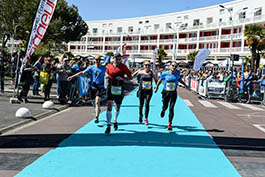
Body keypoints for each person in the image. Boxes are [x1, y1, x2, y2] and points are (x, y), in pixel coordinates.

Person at [68, 55, 106, 123]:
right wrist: (72, 76)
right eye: (96, 59)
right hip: (92, 87)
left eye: (99, 60)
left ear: (101, 60)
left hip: (100, 87)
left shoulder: (104, 68)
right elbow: (82, 72)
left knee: (97, 101)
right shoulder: (91, 67)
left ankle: (97, 116)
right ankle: (98, 110)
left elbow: (109, 74)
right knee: (94, 102)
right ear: (94, 60)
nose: (97, 61)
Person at [154, 61, 189, 131]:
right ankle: (163, 110)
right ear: (169, 66)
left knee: (171, 108)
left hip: (173, 93)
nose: (174, 67)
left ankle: (170, 124)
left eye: (175, 66)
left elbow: (179, 79)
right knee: (165, 106)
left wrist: (185, 85)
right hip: (166, 92)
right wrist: (156, 88)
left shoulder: (177, 73)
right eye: (173, 66)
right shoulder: (165, 74)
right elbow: (159, 80)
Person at [104, 53, 132, 134]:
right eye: (116, 58)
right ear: (113, 58)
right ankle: (108, 125)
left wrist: (122, 78)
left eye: (119, 59)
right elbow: (106, 72)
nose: (118, 60)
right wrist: (106, 76)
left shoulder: (123, 66)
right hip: (110, 87)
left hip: (119, 87)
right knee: (109, 105)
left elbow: (130, 77)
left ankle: (115, 120)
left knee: (117, 106)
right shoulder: (109, 65)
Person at [134, 60, 156, 125]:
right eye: (146, 65)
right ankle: (140, 115)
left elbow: (157, 80)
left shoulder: (152, 73)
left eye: (149, 65)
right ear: (143, 66)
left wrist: (156, 87)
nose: (147, 66)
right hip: (141, 90)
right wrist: (137, 71)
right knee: (141, 104)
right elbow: (133, 76)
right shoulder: (140, 72)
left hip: (149, 91)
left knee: (147, 104)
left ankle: (146, 118)